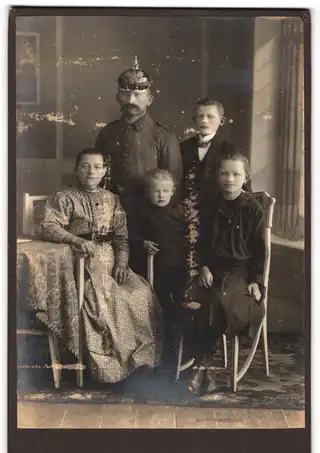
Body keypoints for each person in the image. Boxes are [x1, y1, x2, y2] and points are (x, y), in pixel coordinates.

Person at [39, 148, 163, 384]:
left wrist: (122, 263)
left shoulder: (112, 199)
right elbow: (48, 226)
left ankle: (138, 361)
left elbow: (121, 236)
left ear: (105, 171)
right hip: (81, 263)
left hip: (111, 261)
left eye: (97, 166)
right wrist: (75, 239)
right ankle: (109, 368)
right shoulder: (65, 198)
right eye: (85, 166)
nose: (91, 171)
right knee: (104, 301)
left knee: (140, 293)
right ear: (77, 169)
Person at [95, 56, 183, 276]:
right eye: (125, 94)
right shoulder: (107, 134)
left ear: (149, 99)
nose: (131, 99)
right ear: (118, 97)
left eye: (138, 94)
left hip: (150, 221)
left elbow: (174, 187)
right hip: (112, 214)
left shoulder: (164, 137)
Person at [187, 152, 266, 394]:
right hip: (212, 268)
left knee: (222, 300)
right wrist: (203, 266)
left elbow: (260, 250)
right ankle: (206, 369)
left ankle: (202, 365)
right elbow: (197, 242)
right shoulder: (209, 206)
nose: (229, 179)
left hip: (239, 271)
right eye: (224, 173)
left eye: (235, 174)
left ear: (246, 177)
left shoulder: (253, 208)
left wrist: (256, 281)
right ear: (217, 176)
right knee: (195, 298)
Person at [180, 97, 251, 302]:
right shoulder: (183, 148)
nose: (204, 120)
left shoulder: (230, 148)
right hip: (188, 216)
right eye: (200, 116)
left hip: (219, 216)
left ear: (221, 120)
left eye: (210, 116)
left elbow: (242, 187)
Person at [131, 169, 187, 361]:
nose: (161, 195)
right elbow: (131, 236)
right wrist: (142, 243)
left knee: (177, 306)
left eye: (165, 190)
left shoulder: (179, 212)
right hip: (150, 269)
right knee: (155, 305)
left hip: (176, 268)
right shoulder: (142, 213)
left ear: (173, 192)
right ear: (147, 192)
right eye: (156, 191)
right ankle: (152, 348)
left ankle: (174, 346)